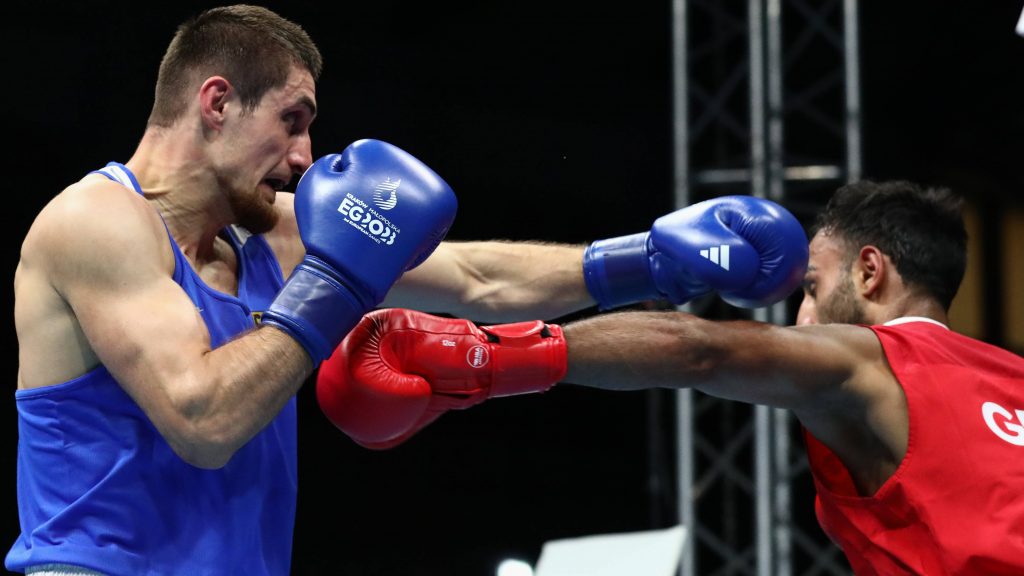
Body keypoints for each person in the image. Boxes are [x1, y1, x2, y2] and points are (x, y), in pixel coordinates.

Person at [9, 5, 809, 575]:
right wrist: (332, 282)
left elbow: (477, 277)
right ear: (216, 101)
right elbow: (203, 419)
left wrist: (648, 260)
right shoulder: (96, 221)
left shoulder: (269, 236)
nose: (304, 156)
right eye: (293, 120)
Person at [323, 180, 1024, 575]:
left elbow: (698, 350)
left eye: (812, 287)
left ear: (870, 272)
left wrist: (482, 359)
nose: (804, 315)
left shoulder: (875, 359)